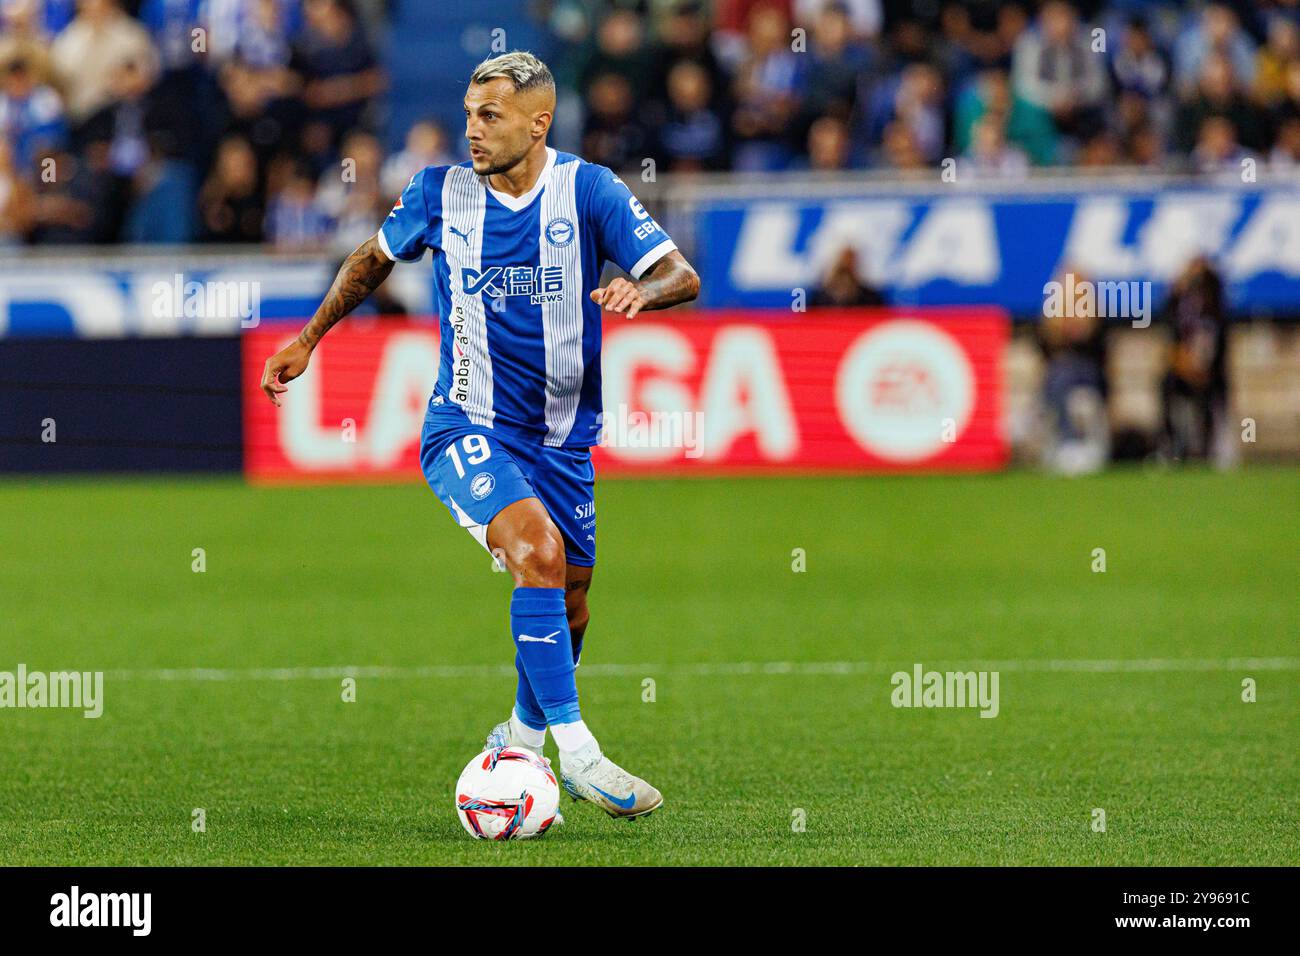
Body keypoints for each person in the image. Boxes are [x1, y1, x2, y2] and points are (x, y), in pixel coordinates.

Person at [259, 51, 699, 821]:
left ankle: (523, 737)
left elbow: (681, 276)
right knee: (536, 552)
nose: (473, 130)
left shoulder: (588, 190)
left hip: (563, 438)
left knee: (573, 602)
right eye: (469, 113)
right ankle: (580, 752)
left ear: (539, 122)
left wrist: (640, 289)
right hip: (466, 422)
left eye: (490, 116)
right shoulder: (440, 193)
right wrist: (309, 337)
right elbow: (371, 259)